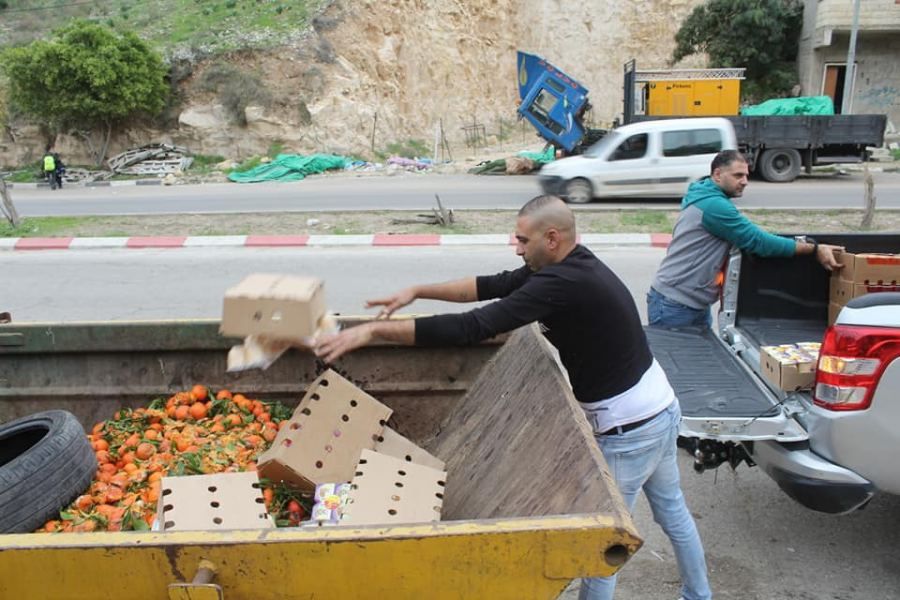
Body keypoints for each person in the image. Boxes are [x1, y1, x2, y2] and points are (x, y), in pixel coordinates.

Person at [315, 195, 712, 600]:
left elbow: (474, 326)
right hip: (660, 407)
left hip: (629, 427)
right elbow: (489, 286)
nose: (517, 248)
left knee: (601, 542)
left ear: (552, 238)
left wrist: (373, 332)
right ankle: (699, 595)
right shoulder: (567, 265)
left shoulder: (562, 283)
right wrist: (418, 290)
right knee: (672, 512)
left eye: (523, 240)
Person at [648, 149, 842, 328]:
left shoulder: (705, 196)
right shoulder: (714, 206)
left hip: (687, 302)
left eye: (746, 175)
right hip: (676, 305)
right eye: (738, 175)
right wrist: (814, 249)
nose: (745, 181)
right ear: (717, 175)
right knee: (678, 365)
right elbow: (759, 242)